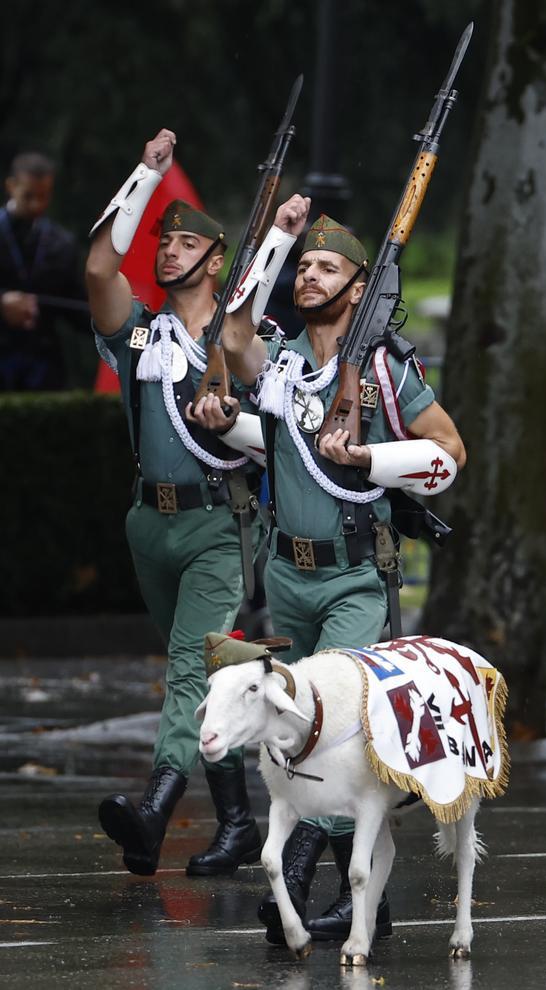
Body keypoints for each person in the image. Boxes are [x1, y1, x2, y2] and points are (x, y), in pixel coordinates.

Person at [191, 194, 466, 942]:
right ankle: (364, 896)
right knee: (296, 729)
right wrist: (276, 240)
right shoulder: (279, 361)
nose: (310, 277)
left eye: (326, 267)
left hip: (353, 576)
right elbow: (236, 331)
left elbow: (449, 451)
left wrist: (372, 456)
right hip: (286, 574)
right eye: (304, 268)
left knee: (339, 727)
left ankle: (318, 873)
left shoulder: (383, 367)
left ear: (359, 286)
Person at [86, 128, 268, 878]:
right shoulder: (139, 334)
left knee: (191, 671)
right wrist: (142, 174)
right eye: (163, 241)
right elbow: (100, 263)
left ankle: (155, 809)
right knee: (207, 674)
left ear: (215, 259)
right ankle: (236, 822)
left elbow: (269, 402)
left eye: (185, 242)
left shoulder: (241, 337)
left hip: (217, 526)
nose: (167, 251)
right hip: (147, 525)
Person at [0, 151, 88, 390]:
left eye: (44, 196)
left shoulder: (62, 243)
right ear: (11, 186)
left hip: (43, 370)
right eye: (28, 196)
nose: (37, 205)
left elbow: (77, 308)